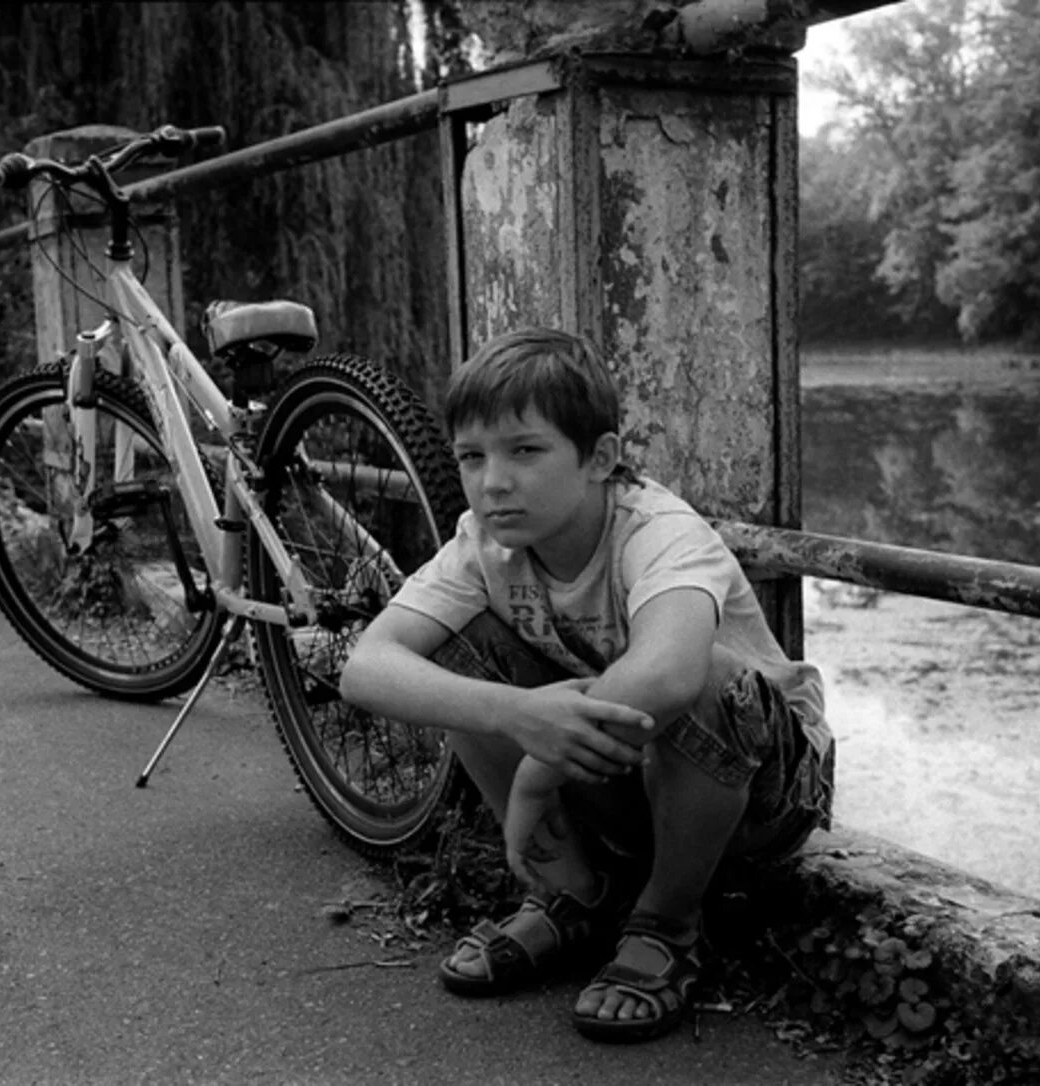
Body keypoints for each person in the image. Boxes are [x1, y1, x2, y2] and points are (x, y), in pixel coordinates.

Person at [339, 327, 834, 1044]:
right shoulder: (483, 543)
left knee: (706, 679)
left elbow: (667, 673)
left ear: (600, 458)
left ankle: (668, 923)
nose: (492, 481)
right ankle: (569, 896)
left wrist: (537, 772)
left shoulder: (657, 532)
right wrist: (515, 711)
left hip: (760, 791)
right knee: (454, 649)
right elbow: (368, 665)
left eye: (525, 451)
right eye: (471, 458)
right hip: (625, 771)